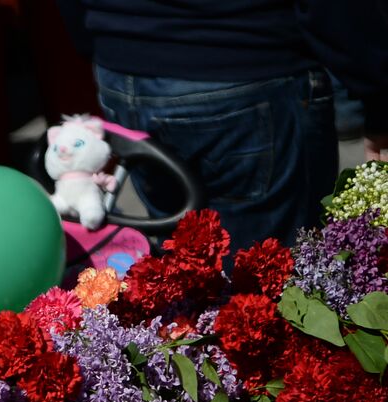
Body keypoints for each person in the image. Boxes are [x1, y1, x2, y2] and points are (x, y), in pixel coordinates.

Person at [58, 0, 388, 252]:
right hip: (245, 62)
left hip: (124, 64)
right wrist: (376, 94)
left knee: (188, 276)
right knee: (268, 290)